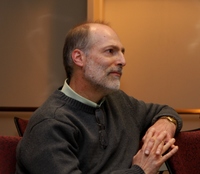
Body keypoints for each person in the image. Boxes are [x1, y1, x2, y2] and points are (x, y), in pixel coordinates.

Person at [16, 21, 182, 174]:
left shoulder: (119, 101)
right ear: (79, 58)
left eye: (122, 52)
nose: (122, 61)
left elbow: (164, 111)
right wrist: (140, 170)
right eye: (110, 51)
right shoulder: (49, 123)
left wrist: (166, 122)